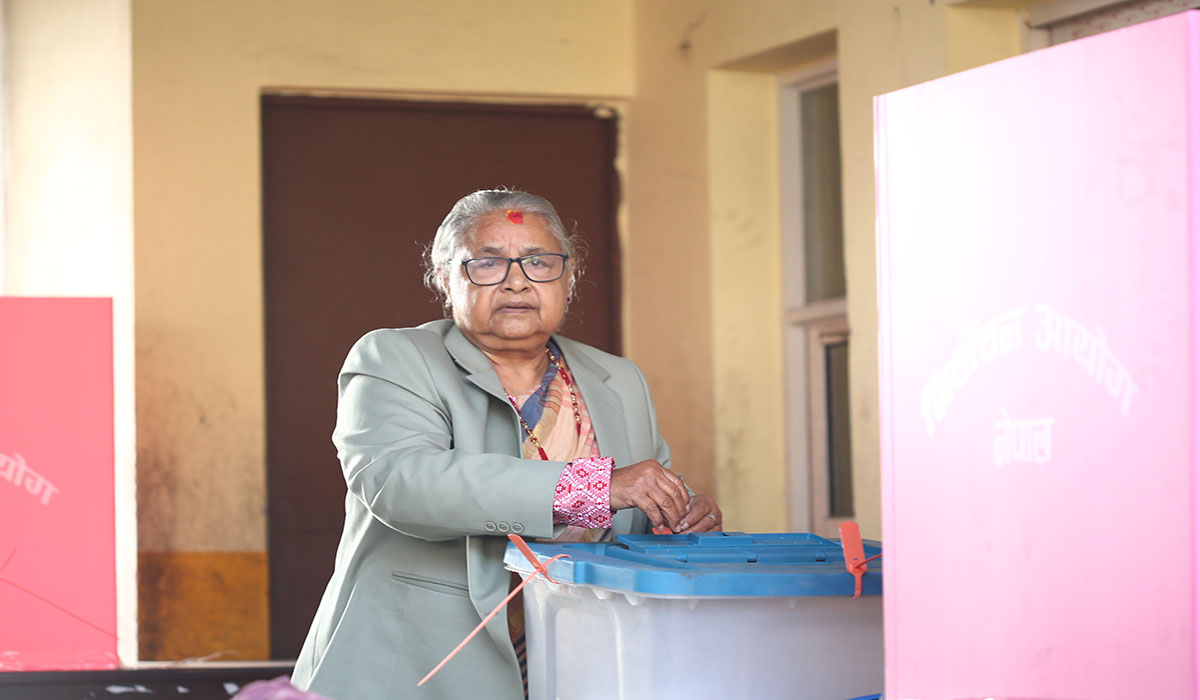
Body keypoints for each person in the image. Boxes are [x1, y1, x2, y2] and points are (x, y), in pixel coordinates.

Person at [291, 189, 722, 700]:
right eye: (489, 262)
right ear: (444, 277)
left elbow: (642, 499)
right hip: (418, 667)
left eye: (539, 262)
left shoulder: (617, 378)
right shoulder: (396, 358)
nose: (517, 280)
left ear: (569, 278)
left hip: (582, 658)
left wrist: (681, 514)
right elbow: (402, 483)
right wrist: (595, 488)